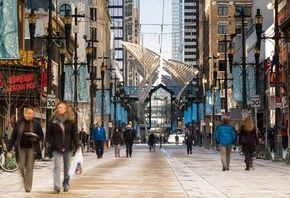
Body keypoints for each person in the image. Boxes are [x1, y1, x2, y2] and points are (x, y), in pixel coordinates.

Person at [46, 102, 81, 193]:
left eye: (61, 107)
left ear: (65, 109)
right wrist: (52, 141)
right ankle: (56, 186)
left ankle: (66, 183)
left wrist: (77, 144)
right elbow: (48, 133)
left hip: (67, 146)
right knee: (56, 166)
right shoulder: (53, 121)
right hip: (56, 146)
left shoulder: (70, 121)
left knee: (67, 167)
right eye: (58, 107)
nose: (59, 109)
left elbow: (75, 134)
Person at [7, 107, 44, 193]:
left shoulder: (36, 123)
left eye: (31, 114)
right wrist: (9, 150)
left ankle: (28, 186)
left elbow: (41, 135)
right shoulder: (19, 123)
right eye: (28, 113)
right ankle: (25, 181)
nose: (30, 115)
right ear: (25, 114)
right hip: (21, 148)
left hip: (32, 148)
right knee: (20, 166)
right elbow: (13, 137)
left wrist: (36, 138)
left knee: (29, 167)